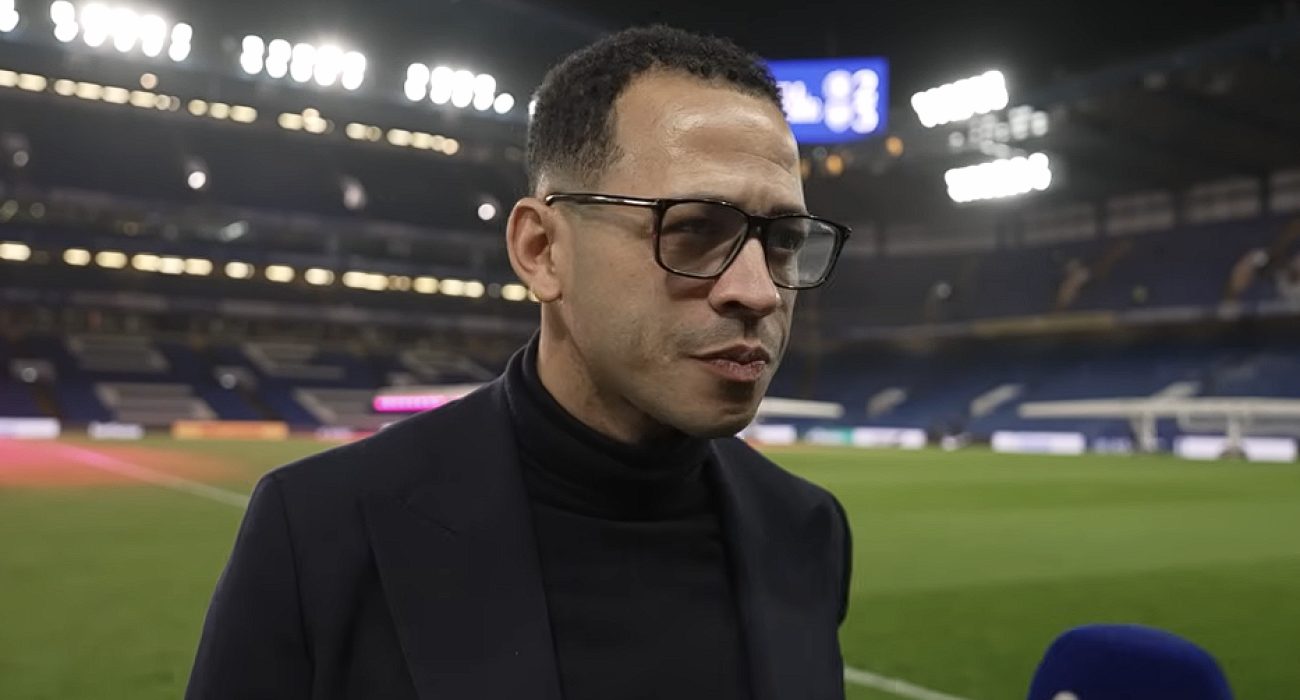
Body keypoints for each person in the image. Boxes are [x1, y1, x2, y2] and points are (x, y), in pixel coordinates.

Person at [185, 24, 854, 700]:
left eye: (783, 240)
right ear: (542, 251)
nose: (759, 292)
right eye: (694, 228)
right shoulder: (317, 531)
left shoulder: (806, 530)